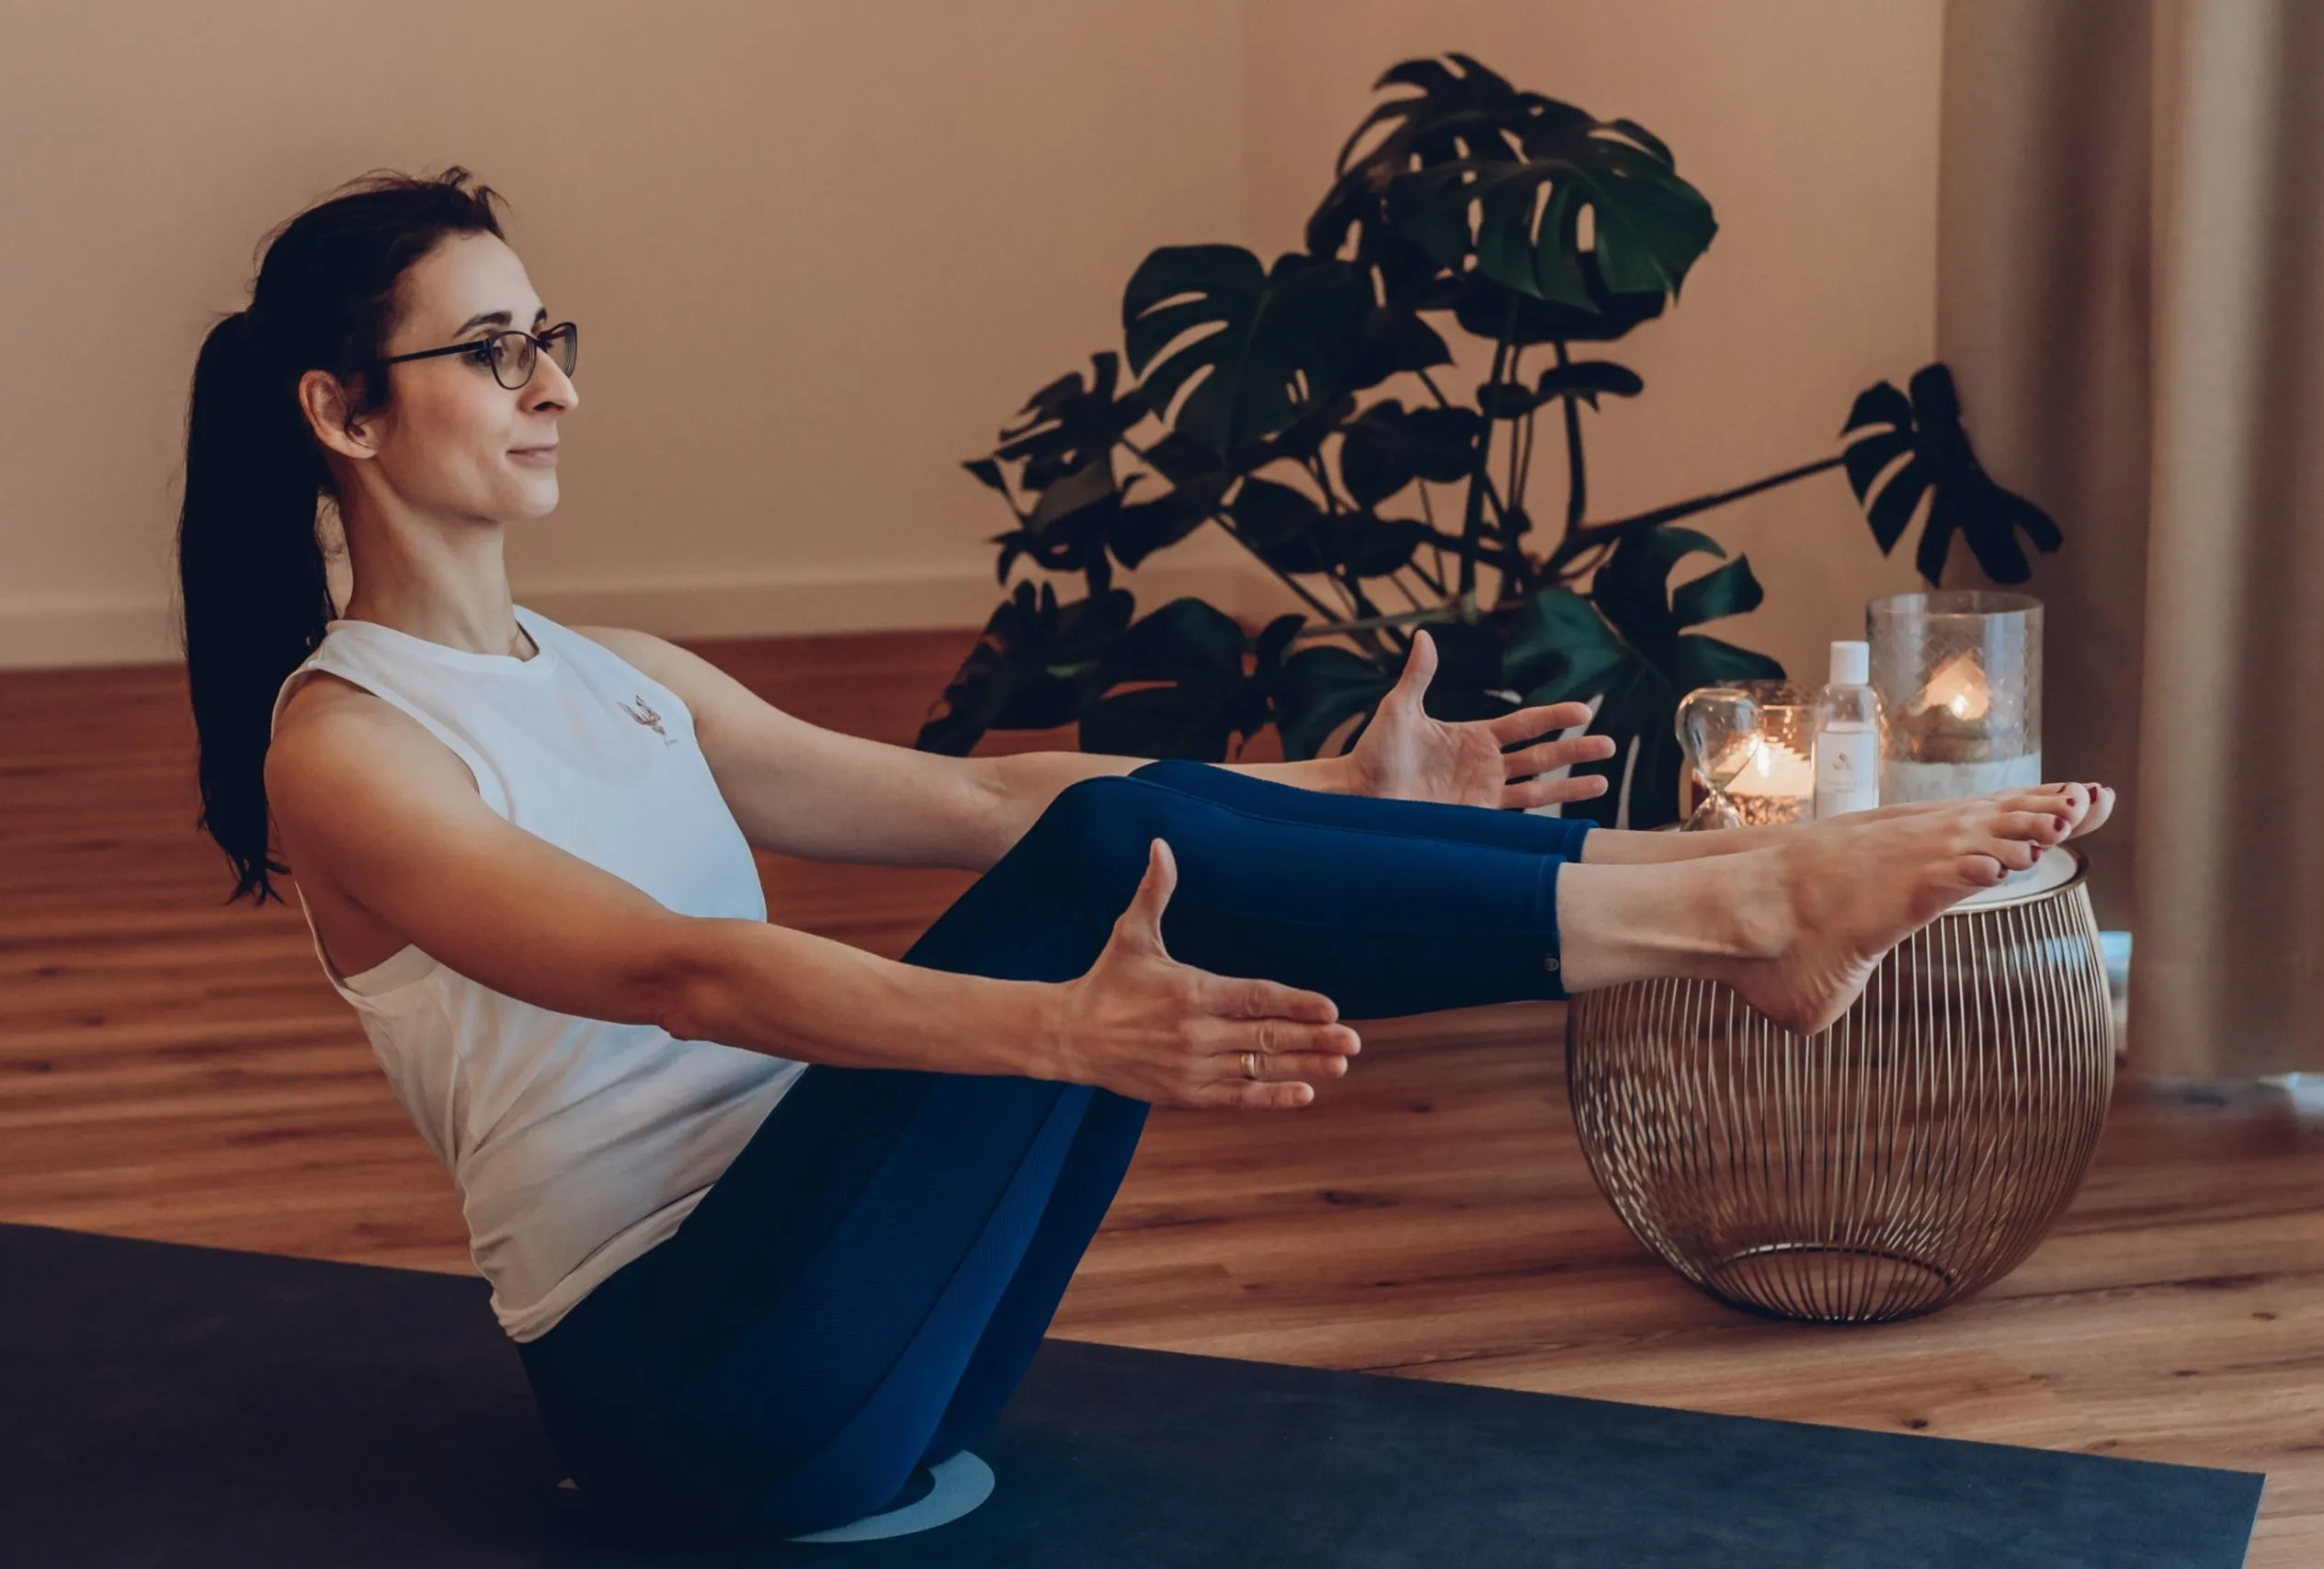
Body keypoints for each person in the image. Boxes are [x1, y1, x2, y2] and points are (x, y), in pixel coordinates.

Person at [176, 169, 2111, 1547]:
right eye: (492, 350)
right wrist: (1054, 1038)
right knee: (1104, 875)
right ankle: (1741, 905)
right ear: (341, 411)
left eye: (552, 338)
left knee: (1104, 839)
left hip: (870, 1330)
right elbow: (684, 971)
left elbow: (974, 801)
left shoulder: (615, 674)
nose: (555, 385)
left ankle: (1730, 913)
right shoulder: (344, 753)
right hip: (698, 1387)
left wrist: (1339, 798)